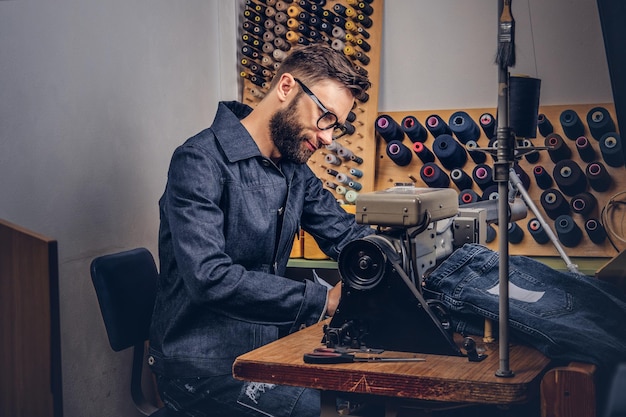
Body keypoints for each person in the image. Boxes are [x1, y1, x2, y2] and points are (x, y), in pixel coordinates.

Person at [149, 43, 374, 417]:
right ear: (287, 87)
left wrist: (381, 260)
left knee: (366, 398)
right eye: (326, 118)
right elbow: (210, 278)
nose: (328, 138)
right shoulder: (198, 161)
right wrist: (325, 300)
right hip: (201, 368)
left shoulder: (294, 171)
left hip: (265, 352)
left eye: (337, 125)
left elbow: (345, 236)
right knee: (329, 414)